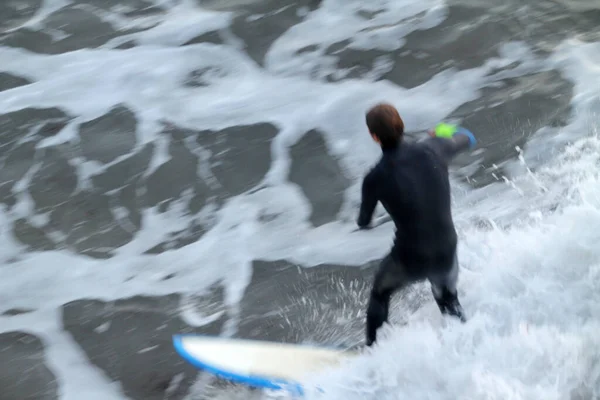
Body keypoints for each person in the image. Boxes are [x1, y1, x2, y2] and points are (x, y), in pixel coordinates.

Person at [356, 103, 477, 346]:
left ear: (374, 136)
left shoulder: (375, 178)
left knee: (380, 294)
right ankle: (471, 351)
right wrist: (440, 132)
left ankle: (372, 358)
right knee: (448, 301)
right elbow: (469, 137)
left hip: (409, 258)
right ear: (401, 125)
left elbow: (364, 222)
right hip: (446, 251)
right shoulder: (434, 149)